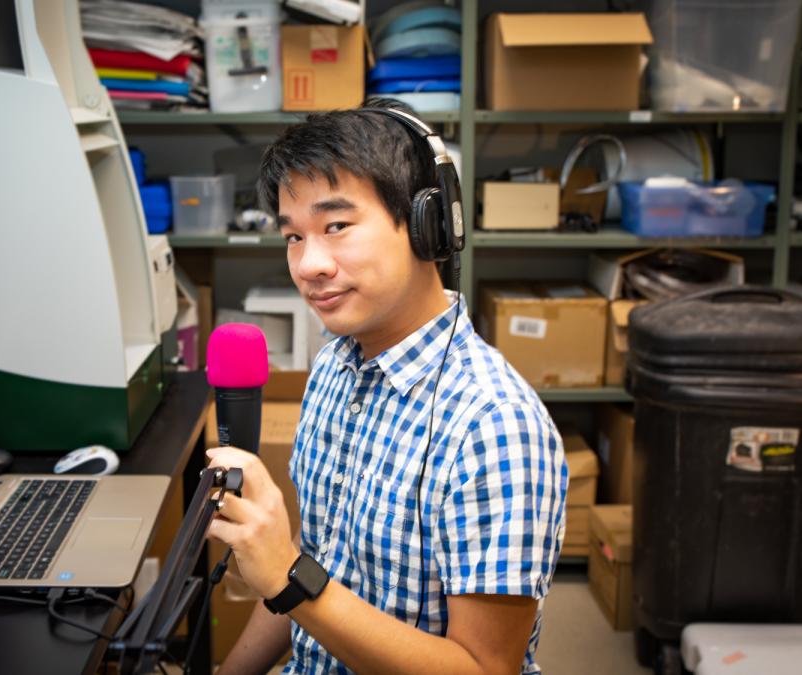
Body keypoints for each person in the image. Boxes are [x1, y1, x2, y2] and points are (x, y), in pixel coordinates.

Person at [206, 101, 568, 675]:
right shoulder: (332, 368)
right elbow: (314, 564)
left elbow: (482, 669)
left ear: (427, 225)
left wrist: (286, 575)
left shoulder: (495, 425)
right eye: (294, 236)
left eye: (337, 226)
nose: (309, 264)